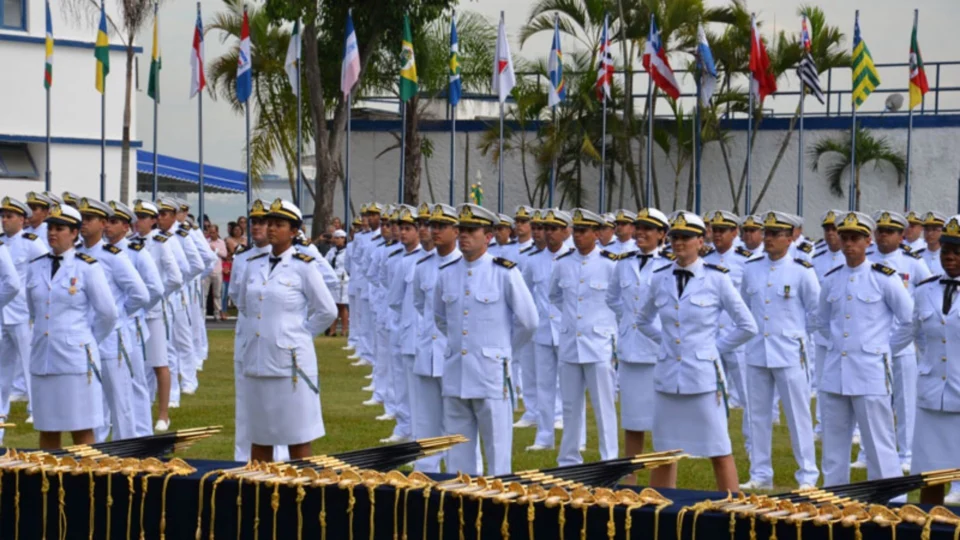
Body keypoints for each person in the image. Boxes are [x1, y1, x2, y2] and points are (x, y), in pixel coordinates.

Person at [635, 211, 757, 491]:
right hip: (668, 377)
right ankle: (661, 511)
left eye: (687, 238)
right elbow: (642, 320)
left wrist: (713, 349)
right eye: (676, 237)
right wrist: (665, 343)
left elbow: (747, 325)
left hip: (702, 377)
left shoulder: (717, 279)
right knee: (664, 452)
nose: (679, 243)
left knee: (718, 448)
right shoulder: (660, 277)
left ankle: (732, 509)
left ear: (701, 241)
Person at [433, 203, 538, 475]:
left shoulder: (504, 272)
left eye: (472, 230)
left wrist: (503, 352)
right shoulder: (447, 273)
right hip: (457, 372)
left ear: (488, 236)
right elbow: (441, 318)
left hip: (491, 374)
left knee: (498, 454)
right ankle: (461, 508)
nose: (464, 235)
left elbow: (529, 321)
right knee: (457, 455)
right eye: (462, 230)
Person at [234, 199, 337, 462]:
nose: (271, 229)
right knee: (259, 436)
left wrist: (298, 334)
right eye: (269, 223)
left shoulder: (304, 265)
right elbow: (245, 304)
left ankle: (299, 497)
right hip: (257, 358)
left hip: (291, 364)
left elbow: (326, 310)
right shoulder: (253, 263)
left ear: (294, 231)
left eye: (279, 225)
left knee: (297, 435)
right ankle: (260, 495)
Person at [817, 211, 912, 488]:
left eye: (855, 238)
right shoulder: (832, 278)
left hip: (870, 372)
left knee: (879, 442)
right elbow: (821, 321)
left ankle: (890, 500)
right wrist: (837, 345)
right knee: (834, 446)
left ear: (868, 241)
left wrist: (882, 350)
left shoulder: (884, 278)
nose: (848, 244)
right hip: (836, 371)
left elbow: (908, 321)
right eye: (844, 237)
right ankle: (835, 498)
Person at [738, 211, 820, 490]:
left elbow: (816, 312)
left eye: (775, 234)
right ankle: (760, 474)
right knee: (757, 415)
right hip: (758, 350)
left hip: (789, 352)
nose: (769, 239)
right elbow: (744, 309)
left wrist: (799, 338)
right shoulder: (751, 267)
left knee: (798, 415)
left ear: (789, 238)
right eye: (767, 233)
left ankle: (808, 475)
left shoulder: (801, 269)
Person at [27, 204, 118, 449]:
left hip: (75, 360)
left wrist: (86, 340)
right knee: (47, 428)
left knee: (82, 428)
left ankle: (86, 484)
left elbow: (108, 313)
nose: (52, 233)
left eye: (60, 228)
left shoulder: (87, 266)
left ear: (74, 233)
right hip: (43, 358)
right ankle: (49, 484)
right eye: (50, 228)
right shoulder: (35, 266)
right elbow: (34, 309)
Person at [548, 208, 619, 466]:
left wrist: (605, 327)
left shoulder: (611, 264)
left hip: (598, 343)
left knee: (604, 406)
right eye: (575, 231)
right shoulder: (563, 263)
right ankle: (568, 458)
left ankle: (609, 458)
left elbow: (617, 301)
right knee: (569, 405)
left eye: (584, 231)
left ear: (597, 234)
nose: (578, 236)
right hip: (569, 342)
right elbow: (555, 296)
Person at [605, 208, 672, 478]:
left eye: (648, 229)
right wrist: (629, 321)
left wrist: (652, 328)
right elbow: (612, 298)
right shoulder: (623, 262)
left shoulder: (670, 264)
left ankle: (661, 480)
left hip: (658, 352)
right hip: (631, 350)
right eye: (639, 227)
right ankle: (629, 479)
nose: (641, 233)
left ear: (661, 235)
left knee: (662, 423)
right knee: (632, 420)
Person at [76, 198, 150, 441]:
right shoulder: (75, 254)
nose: (83, 223)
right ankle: (94, 454)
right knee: (89, 401)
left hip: (111, 338)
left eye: (89, 219)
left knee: (120, 401)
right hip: (84, 338)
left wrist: (119, 314)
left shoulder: (114, 256)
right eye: (82, 218)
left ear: (103, 223)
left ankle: (126, 455)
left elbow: (140, 293)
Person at [901, 215, 960, 504]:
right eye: (947, 251)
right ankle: (927, 527)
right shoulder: (925, 290)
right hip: (932, 393)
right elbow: (917, 334)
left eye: (957, 252)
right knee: (930, 474)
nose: (950, 257)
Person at [867, 210, 932, 472]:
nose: (883, 236)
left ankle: (906, 452)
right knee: (872, 400)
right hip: (872, 343)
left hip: (903, 342)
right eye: (880, 231)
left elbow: (928, 292)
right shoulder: (867, 259)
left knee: (905, 401)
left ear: (901, 235)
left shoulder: (913, 263)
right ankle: (867, 451)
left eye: (889, 232)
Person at [228, 200, 289, 462]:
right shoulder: (243, 258)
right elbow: (237, 297)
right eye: (254, 222)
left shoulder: (292, 256)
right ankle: (244, 455)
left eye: (263, 222)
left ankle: (283, 454)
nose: (257, 227)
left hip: (279, 338)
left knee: (281, 399)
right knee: (247, 400)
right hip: (248, 335)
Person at [105, 200, 165, 437]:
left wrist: (132, 310)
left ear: (126, 227)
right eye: (107, 222)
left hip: (131, 324)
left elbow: (155, 288)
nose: (108, 227)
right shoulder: (99, 252)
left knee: (136, 380)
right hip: (107, 327)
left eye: (114, 222)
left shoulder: (135, 252)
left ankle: (141, 432)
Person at [411, 203, 460, 472]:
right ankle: (427, 470)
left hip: (452, 353)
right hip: (427, 350)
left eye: (442, 226)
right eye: (433, 225)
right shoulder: (423, 265)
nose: (435, 230)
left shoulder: (464, 265)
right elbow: (421, 305)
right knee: (426, 418)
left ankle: (460, 469)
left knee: (456, 419)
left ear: (456, 231)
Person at [703, 210, 755, 450]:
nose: (717, 235)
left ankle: (752, 445)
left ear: (735, 233)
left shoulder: (747, 261)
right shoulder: (705, 260)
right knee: (712, 393)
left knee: (748, 395)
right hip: (711, 335)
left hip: (738, 337)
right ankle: (714, 442)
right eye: (715, 230)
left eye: (723, 231)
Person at [523, 209, 573, 452]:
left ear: (567, 231)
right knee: (544, 384)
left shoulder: (573, 259)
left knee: (571, 384)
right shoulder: (533, 261)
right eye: (547, 228)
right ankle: (544, 435)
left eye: (555, 228)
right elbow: (525, 294)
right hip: (543, 330)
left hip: (567, 330)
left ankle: (575, 435)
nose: (549, 233)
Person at [131, 200, 183, 432]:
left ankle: (163, 414)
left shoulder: (161, 243)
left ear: (153, 220)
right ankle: (135, 409)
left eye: (143, 217)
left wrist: (155, 295)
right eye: (136, 216)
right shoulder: (128, 244)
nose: (138, 221)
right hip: (132, 313)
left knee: (159, 362)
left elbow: (175, 277)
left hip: (152, 312)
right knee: (133, 365)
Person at [0, 197, 46, 425]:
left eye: (9, 216)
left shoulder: (31, 242)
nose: (4, 220)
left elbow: (45, 270)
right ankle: (1, 409)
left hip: (23, 310)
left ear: (21, 219)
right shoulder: (0, 243)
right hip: (3, 312)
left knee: (30, 361)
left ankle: (36, 407)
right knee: (4, 363)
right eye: (3, 216)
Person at [156, 197, 204, 406]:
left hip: (176, 295)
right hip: (158, 300)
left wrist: (182, 285)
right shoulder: (154, 238)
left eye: (164, 214)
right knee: (161, 346)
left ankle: (187, 382)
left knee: (180, 340)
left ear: (174, 216)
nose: (160, 218)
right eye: (158, 214)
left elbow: (194, 265)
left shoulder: (180, 236)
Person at [325, 230, 349, 335]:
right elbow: (325, 262)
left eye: (340, 238)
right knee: (333, 305)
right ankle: (332, 329)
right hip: (333, 279)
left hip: (344, 279)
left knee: (342, 305)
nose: (338, 240)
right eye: (336, 238)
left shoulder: (348, 251)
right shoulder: (332, 251)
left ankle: (344, 330)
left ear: (344, 239)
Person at [204, 224, 228, 320]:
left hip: (217, 270)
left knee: (217, 294)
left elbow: (225, 254)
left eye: (214, 232)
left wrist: (216, 250)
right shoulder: (206, 242)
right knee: (204, 293)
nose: (212, 234)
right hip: (207, 271)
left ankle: (217, 312)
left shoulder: (221, 242)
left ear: (217, 232)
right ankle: (203, 312)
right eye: (210, 232)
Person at [918, 211, 946, 276]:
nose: (930, 233)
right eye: (927, 229)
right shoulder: (917, 256)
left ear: (943, 232)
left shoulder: (948, 257)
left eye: (934, 229)